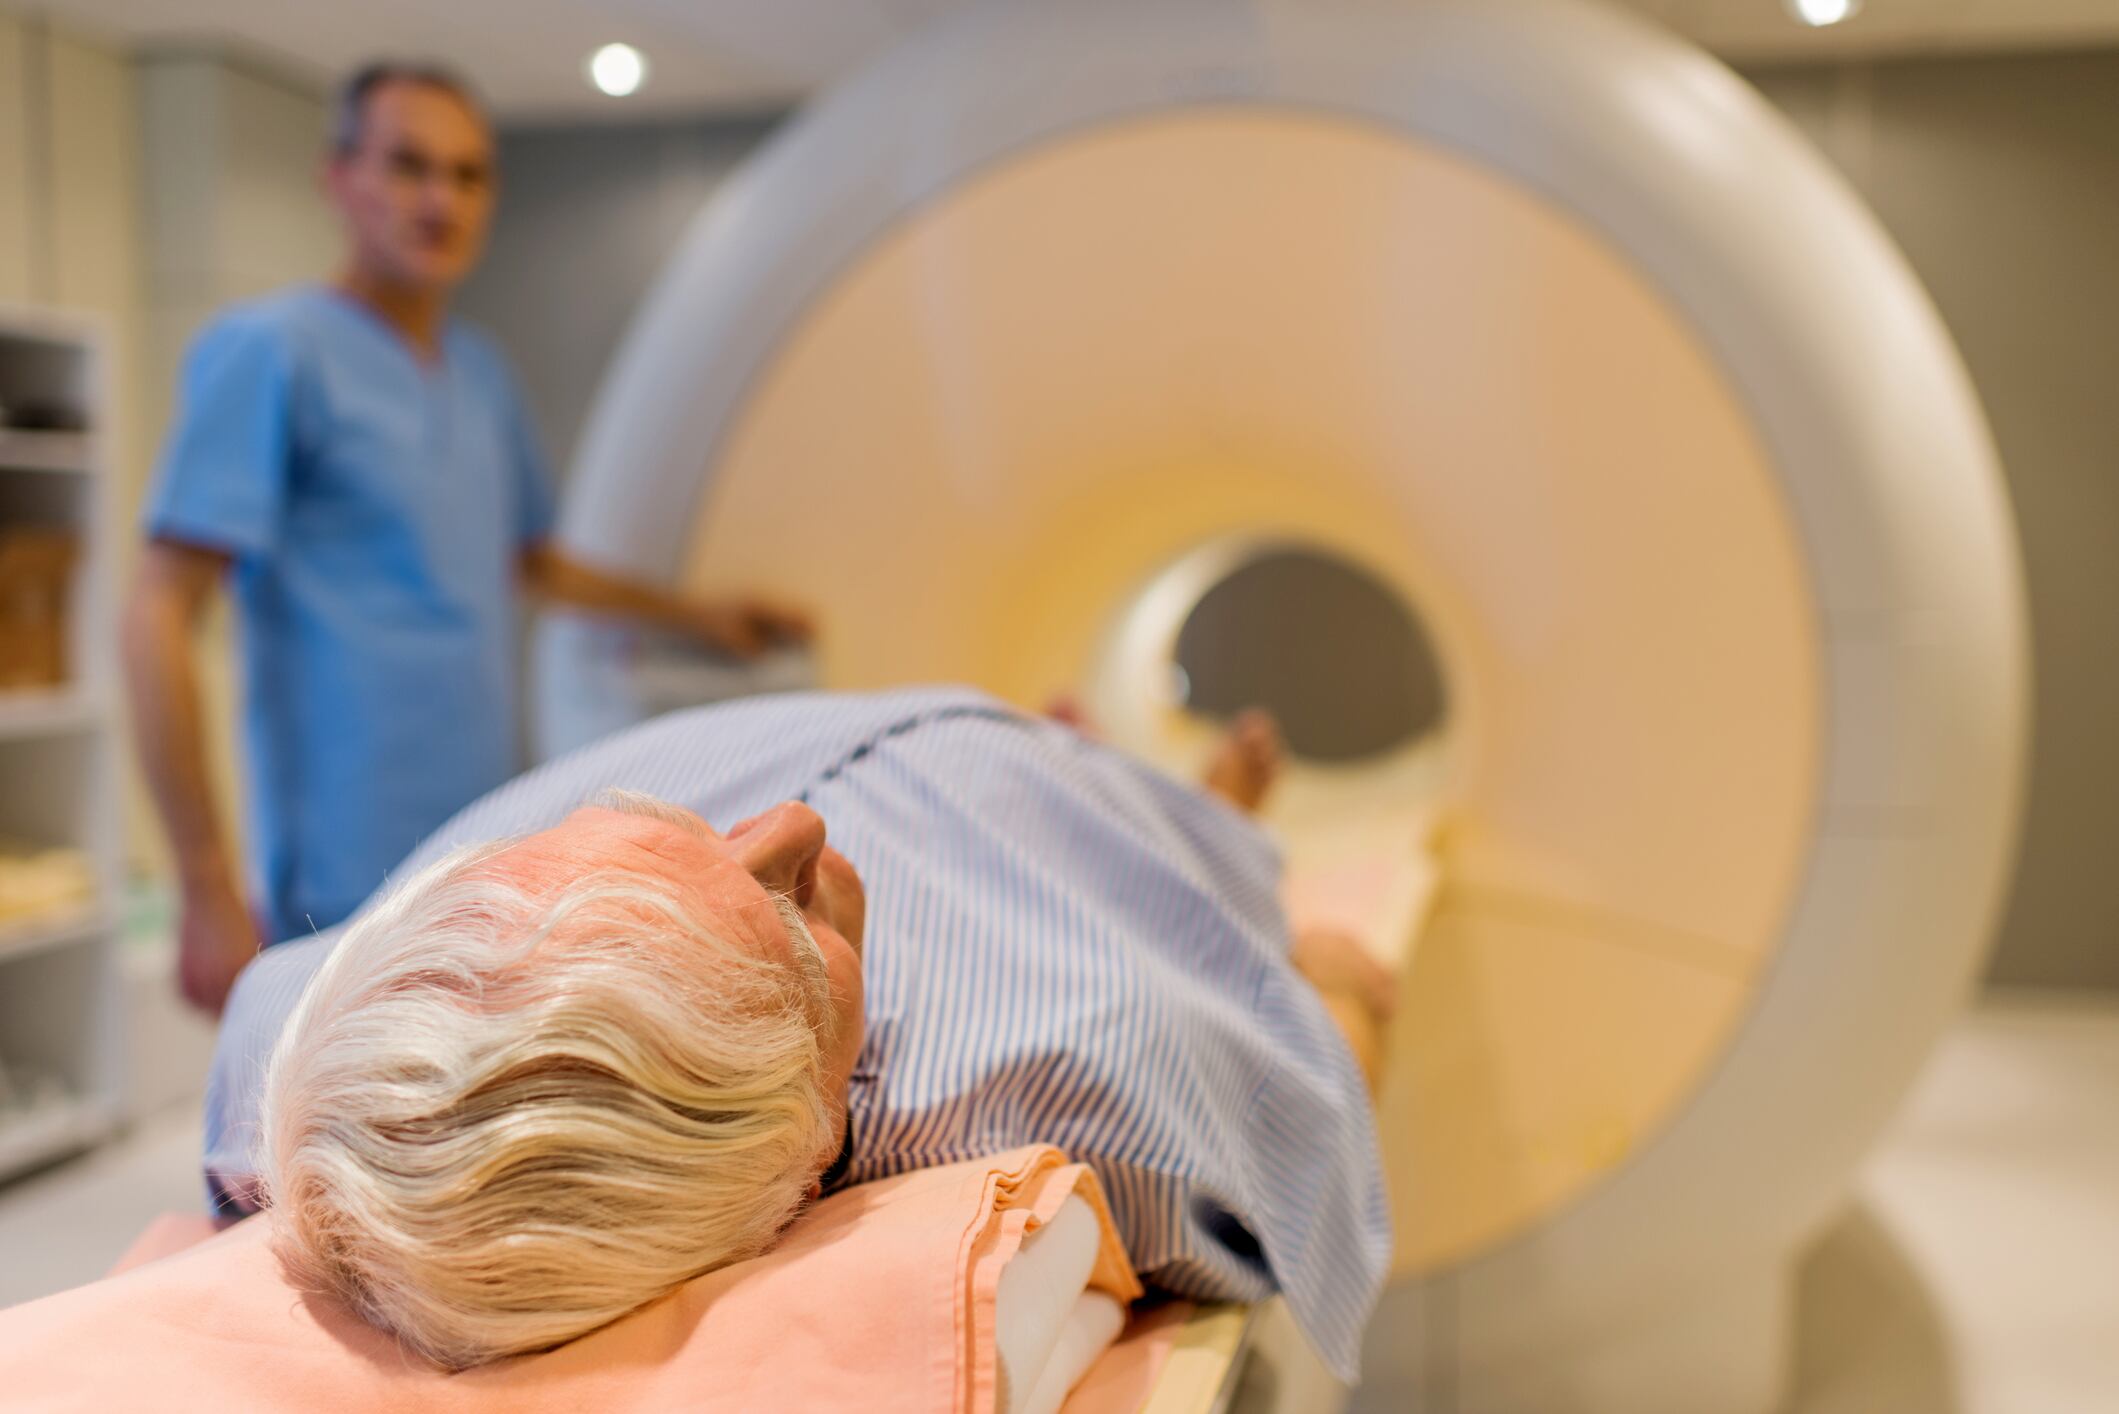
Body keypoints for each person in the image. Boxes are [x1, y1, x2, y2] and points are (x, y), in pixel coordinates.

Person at [204, 687, 1395, 1379]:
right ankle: (1204, 813)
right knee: (1200, 896)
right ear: (810, 1143)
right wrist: (1332, 991)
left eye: (686, 838)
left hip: (864, 722)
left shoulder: (283, 1034)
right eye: (786, 914)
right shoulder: (1085, 1091)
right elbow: (1312, 1110)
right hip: (1045, 822)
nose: (791, 827)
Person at [123, 61, 807, 1016]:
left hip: (478, 848)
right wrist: (201, 885)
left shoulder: (478, 374)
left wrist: (699, 615)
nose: (440, 198)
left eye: (468, 174)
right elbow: (158, 609)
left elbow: (530, 561)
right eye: (407, 166)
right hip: (337, 879)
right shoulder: (274, 353)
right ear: (340, 179)